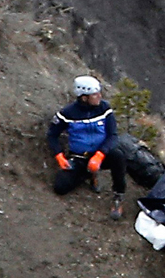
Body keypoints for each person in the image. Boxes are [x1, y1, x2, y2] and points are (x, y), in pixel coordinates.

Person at [47, 75, 127, 220]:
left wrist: (100, 155)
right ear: (84, 97)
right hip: (79, 157)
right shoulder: (67, 114)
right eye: (95, 94)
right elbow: (52, 135)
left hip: (101, 155)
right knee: (60, 187)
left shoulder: (105, 109)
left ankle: (118, 196)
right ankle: (89, 174)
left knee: (118, 156)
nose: (99, 96)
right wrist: (59, 155)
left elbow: (113, 135)